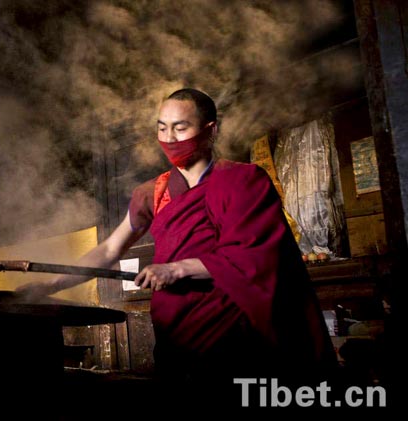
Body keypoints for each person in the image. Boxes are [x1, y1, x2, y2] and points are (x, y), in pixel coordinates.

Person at [17, 88, 338, 404]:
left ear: (210, 130)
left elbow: (254, 254)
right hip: (175, 334)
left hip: (233, 333)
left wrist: (177, 268)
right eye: (162, 128)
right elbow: (109, 249)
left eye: (180, 127)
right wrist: (54, 283)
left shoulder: (243, 180)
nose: (169, 138)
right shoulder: (153, 192)